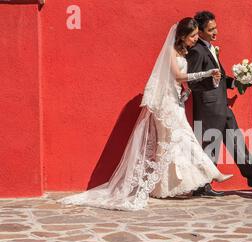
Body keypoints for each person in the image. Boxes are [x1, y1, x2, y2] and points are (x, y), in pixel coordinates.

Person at [58, 18, 232, 211]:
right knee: (184, 137)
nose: (195, 39)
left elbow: (179, 83)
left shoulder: (183, 52)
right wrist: (206, 73)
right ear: (182, 36)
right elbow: (177, 76)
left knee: (171, 143)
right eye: (192, 36)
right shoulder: (171, 51)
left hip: (175, 100)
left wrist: (187, 92)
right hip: (165, 103)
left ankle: (163, 188)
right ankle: (213, 173)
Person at [186, 11, 252, 197]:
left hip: (222, 106)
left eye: (216, 27)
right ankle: (203, 186)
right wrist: (213, 81)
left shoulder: (210, 48)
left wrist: (237, 82)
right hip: (209, 107)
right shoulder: (197, 51)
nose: (215, 32)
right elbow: (193, 82)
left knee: (236, 141)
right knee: (210, 145)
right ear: (200, 32)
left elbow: (218, 77)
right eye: (211, 29)